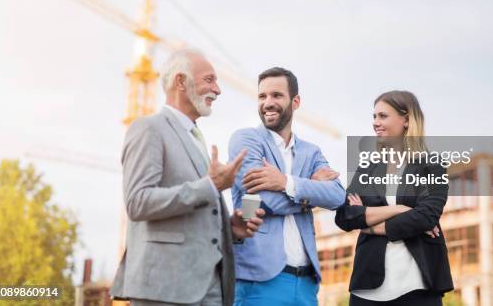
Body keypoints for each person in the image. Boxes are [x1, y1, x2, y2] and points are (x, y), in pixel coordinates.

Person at [111, 49, 265, 306]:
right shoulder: (148, 128)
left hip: (209, 287)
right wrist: (210, 186)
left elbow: (194, 212)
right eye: (209, 80)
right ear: (181, 81)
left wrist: (231, 228)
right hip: (165, 287)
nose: (218, 90)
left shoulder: (196, 140)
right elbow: (138, 202)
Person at [228, 67, 346, 306]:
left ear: (295, 102)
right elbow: (260, 200)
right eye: (262, 96)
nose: (268, 103)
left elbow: (337, 196)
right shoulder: (247, 139)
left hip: (306, 284)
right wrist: (311, 191)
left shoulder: (311, 152)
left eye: (276, 95)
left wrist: (285, 183)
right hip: (259, 281)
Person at [335, 91, 453, 306]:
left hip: (418, 287)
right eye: (374, 117)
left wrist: (369, 224)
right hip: (368, 288)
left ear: (406, 120)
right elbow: (345, 216)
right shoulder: (367, 168)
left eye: (382, 116)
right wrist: (400, 209)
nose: (375, 123)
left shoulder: (432, 165)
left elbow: (427, 217)